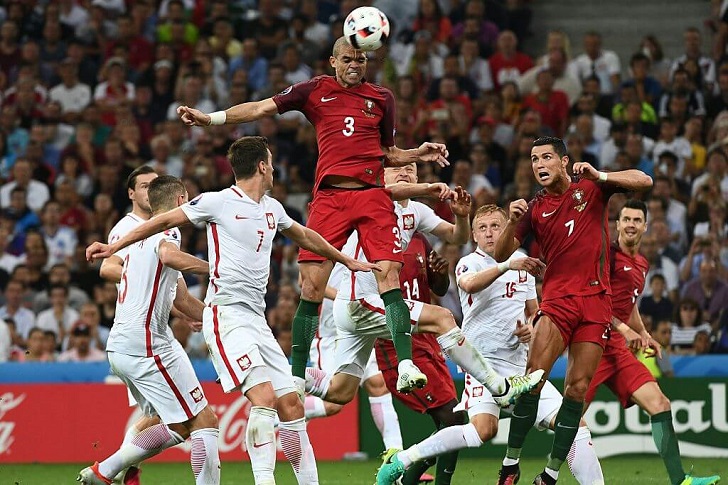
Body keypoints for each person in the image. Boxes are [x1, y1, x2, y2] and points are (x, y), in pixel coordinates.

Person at [86, 136, 378, 485]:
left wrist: (345, 259)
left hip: (257, 321)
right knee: (264, 397)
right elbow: (163, 222)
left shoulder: (273, 208)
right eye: (270, 162)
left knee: (292, 406)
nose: (273, 169)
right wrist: (114, 245)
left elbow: (306, 236)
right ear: (262, 166)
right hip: (226, 316)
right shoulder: (217, 202)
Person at [177, 37, 452, 397]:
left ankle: (405, 365)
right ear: (333, 61)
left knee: (389, 274)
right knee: (311, 286)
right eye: (348, 59)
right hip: (330, 198)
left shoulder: (382, 98)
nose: (355, 64)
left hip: (371, 195)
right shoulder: (315, 91)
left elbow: (387, 153)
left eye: (361, 59)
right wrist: (210, 119)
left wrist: (417, 152)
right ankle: (297, 375)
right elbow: (261, 108)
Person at [377, 205, 603, 485]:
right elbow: (470, 285)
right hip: (483, 366)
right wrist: (507, 264)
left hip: (521, 365)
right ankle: (404, 459)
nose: (489, 233)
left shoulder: (522, 264)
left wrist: (530, 327)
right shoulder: (469, 263)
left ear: (507, 227)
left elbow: (534, 310)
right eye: (482, 228)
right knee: (483, 430)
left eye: (496, 226)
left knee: (575, 426)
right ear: (473, 235)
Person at [306, 164, 543, 420]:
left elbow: (457, 237)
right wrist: (429, 188)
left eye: (410, 169)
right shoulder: (372, 199)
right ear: (382, 177)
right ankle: (500, 387)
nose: (404, 173)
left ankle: (283, 377)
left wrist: (461, 217)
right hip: (360, 300)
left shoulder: (417, 211)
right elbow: (391, 191)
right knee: (442, 318)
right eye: (396, 170)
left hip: (358, 305)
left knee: (339, 392)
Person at [493, 136, 653, 485]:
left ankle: (549, 474)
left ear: (563, 161)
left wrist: (602, 176)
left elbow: (645, 181)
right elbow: (499, 254)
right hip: (558, 301)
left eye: (546, 157)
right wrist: (509, 220)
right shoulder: (534, 209)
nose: (539, 165)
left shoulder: (592, 188)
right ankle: (510, 464)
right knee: (533, 380)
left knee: (577, 392)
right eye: (534, 159)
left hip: (597, 304)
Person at [77, 175, 219, 485]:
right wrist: (217, 267)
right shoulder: (168, 231)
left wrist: (215, 321)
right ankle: (107, 470)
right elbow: (169, 255)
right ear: (182, 201)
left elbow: (180, 297)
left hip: (125, 345)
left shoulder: (136, 239)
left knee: (165, 420)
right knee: (194, 422)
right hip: (146, 346)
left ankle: (121, 473)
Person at [584, 199, 720, 485]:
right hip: (591, 345)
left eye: (637, 220)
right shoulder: (605, 257)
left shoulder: (642, 264)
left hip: (618, 350)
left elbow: (629, 304)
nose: (631, 224)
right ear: (618, 224)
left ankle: (679, 480)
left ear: (645, 226)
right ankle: (536, 470)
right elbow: (593, 302)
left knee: (660, 403)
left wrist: (643, 333)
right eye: (626, 219)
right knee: (568, 419)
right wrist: (624, 330)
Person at [304, 262, 405, 456]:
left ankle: (396, 458)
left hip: (360, 324)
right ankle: (280, 404)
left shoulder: (363, 237)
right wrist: (345, 297)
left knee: (378, 384)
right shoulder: (324, 236)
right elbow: (305, 280)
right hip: (330, 333)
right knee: (333, 403)